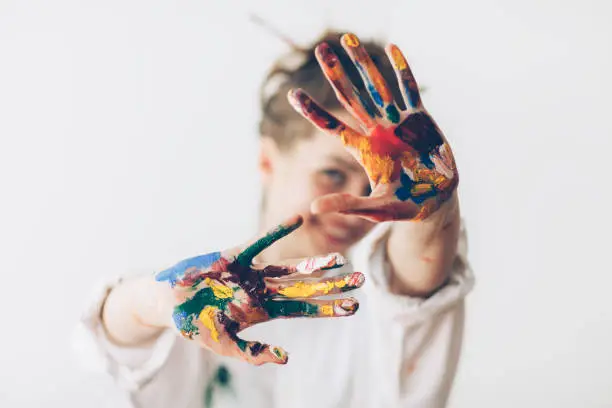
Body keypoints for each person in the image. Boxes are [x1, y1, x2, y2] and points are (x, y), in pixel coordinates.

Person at [73, 30, 474, 408]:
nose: (353, 203)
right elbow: (116, 338)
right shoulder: (207, 295)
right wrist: (159, 302)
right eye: (332, 174)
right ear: (268, 159)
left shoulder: (379, 298)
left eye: (374, 185)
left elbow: (419, 282)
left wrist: (434, 209)